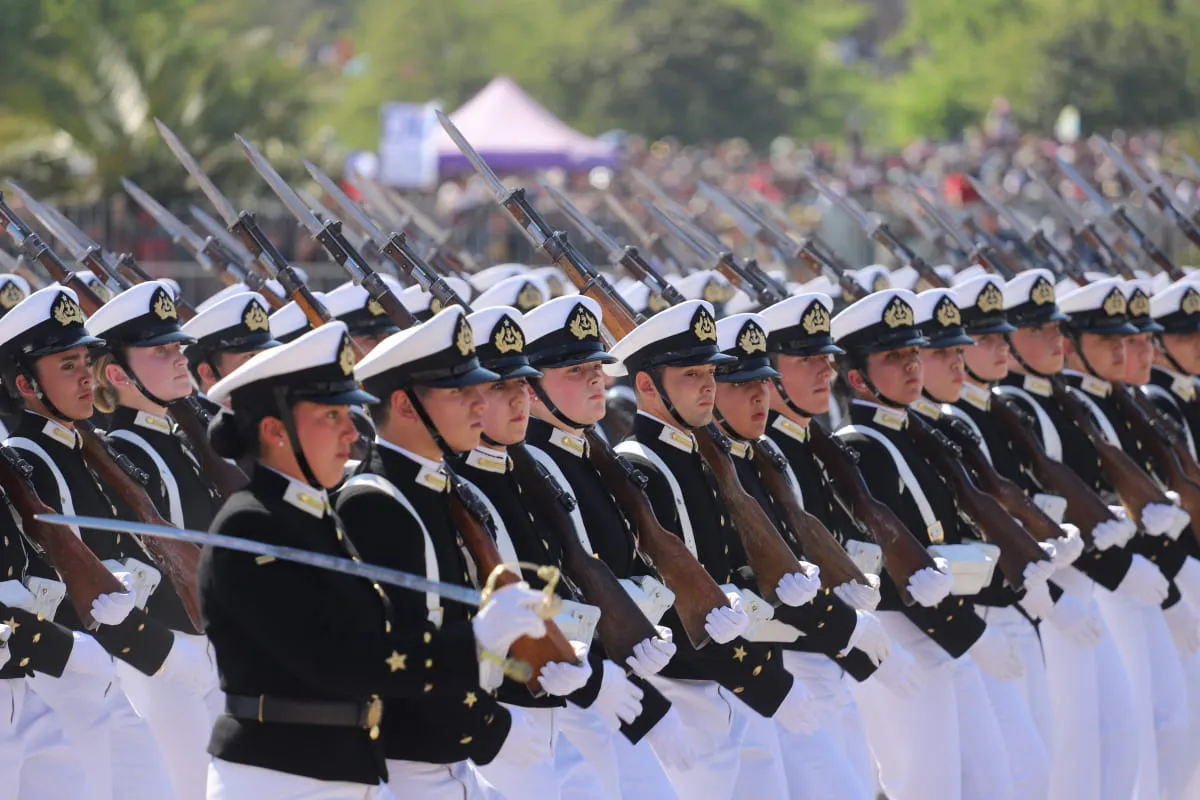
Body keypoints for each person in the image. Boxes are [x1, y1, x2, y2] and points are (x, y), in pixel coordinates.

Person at [200, 319, 551, 798]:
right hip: (278, 777)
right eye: (331, 417)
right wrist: (473, 644)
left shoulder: (314, 518)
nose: (351, 431)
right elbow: (338, 659)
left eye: (349, 414)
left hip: (345, 772)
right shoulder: (252, 526)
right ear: (274, 430)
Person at [519, 295, 752, 798]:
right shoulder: (535, 468)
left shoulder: (592, 458)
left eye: (597, 367)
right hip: (585, 701)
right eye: (575, 370)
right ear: (531, 389)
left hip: (630, 691)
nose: (596, 380)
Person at [343, 306, 579, 798]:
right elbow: (405, 652)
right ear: (407, 406)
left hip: (451, 756)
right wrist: (491, 727)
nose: (480, 404)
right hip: (413, 760)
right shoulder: (376, 502)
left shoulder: (433, 487)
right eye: (462, 392)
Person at [454, 304, 679, 799]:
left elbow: (581, 573)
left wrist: (640, 613)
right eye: (501, 387)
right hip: (512, 708)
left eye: (522, 384)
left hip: (574, 697)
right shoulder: (461, 485)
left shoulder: (534, 470)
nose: (519, 398)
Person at [607, 298, 822, 798]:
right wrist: (769, 682)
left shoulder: (706, 458)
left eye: (710, 372)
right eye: (691, 375)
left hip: (739, 678)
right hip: (688, 690)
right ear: (645, 385)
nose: (709, 385)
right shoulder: (639, 467)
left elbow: (729, 570)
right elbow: (671, 601)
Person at [830, 288, 1023, 800]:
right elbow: (889, 560)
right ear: (856, 378)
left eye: (914, 353)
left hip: (948, 623)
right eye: (894, 357)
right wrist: (967, 631)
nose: (912, 366)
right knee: (925, 786)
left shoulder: (917, 431)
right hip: (904, 627)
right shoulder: (857, 446)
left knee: (990, 782)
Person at [0, 285, 181, 800]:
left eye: (85, 360)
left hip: (101, 678)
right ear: (24, 383)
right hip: (63, 681)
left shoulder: (82, 452)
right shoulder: (28, 460)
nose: (86, 375)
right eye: (66, 365)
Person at [710, 310, 891, 800]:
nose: (758, 395)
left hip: (810, 656)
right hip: (768, 669)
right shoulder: (713, 466)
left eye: (762, 382)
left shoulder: (765, 455)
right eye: (741, 384)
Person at [910, 287, 1054, 800]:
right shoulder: (873, 443)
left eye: (957, 350)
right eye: (939, 353)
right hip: (953, 627)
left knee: (1035, 772)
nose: (957, 363)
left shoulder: (949, 426)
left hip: (998, 612)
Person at [84, 281, 226, 800]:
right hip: (168, 659)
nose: (178, 358)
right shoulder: (124, 453)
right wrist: (167, 655)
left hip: (213, 647)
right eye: (160, 351)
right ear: (118, 375)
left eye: (178, 347)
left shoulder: (182, 438)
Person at [1054, 277, 1192, 799]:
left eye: (1132, 339)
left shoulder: (1114, 402)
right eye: (1111, 340)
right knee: (1126, 738)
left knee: (1170, 726)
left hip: (1144, 575)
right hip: (1105, 584)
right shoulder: (1068, 407)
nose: (1128, 350)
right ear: (1076, 343)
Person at [180, 291, 279, 417]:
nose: (262, 365)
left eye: (264, 355)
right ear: (208, 373)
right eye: (250, 357)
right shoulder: (200, 432)